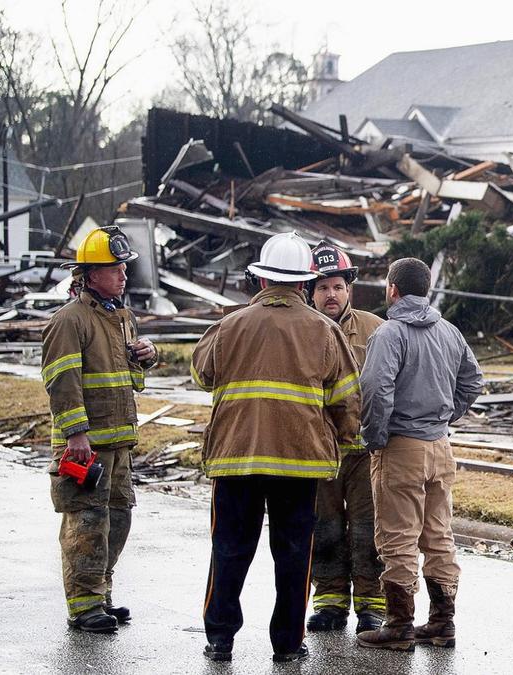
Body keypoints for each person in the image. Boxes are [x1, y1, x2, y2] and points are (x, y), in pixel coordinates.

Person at [190, 232, 361, 663]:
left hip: (235, 460)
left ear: (261, 281)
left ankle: (220, 639)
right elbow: (346, 396)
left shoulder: (230, 324)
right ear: (305, 283)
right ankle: (287, 644)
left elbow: (202, 374)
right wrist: (345, 438)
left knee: (229, 549)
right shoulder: (325, 330)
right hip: (298, 464)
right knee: (292, 556)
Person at [356, 257, 483, 652]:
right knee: (439, 537)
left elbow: (376, 389)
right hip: (440, 447)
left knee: (397, 538)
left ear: (392, 289)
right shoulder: (449, 331)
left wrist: (375, 437)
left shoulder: (389, 334)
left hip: (401, 445)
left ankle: (399, 626)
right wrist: (447, 415)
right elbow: (472, 381)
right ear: (425, 290)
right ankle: (443, 624)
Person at [42, 225, 156, 633]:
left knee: (118, 518)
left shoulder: (121, 317)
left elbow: (129, 379)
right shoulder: (69, 320)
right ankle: (83, 604)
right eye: (114, 268)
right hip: (84, 446)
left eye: (124, 266)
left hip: (118, 441)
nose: (123, 274)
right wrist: (75, 436)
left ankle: (101, 594)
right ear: (89, 274)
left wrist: (146, 356)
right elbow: (62, 380)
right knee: (86, 523)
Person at [304, 241, 387, 634]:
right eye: (322, 287)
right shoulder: (300, 331)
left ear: (349, 288)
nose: (330, 295)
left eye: (337, 286)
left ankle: (372, 604)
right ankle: (329, 601)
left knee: (369, 528)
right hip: (318, 453)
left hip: (365, 452)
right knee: (325, 528)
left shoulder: (376, 329)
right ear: (309, 291)